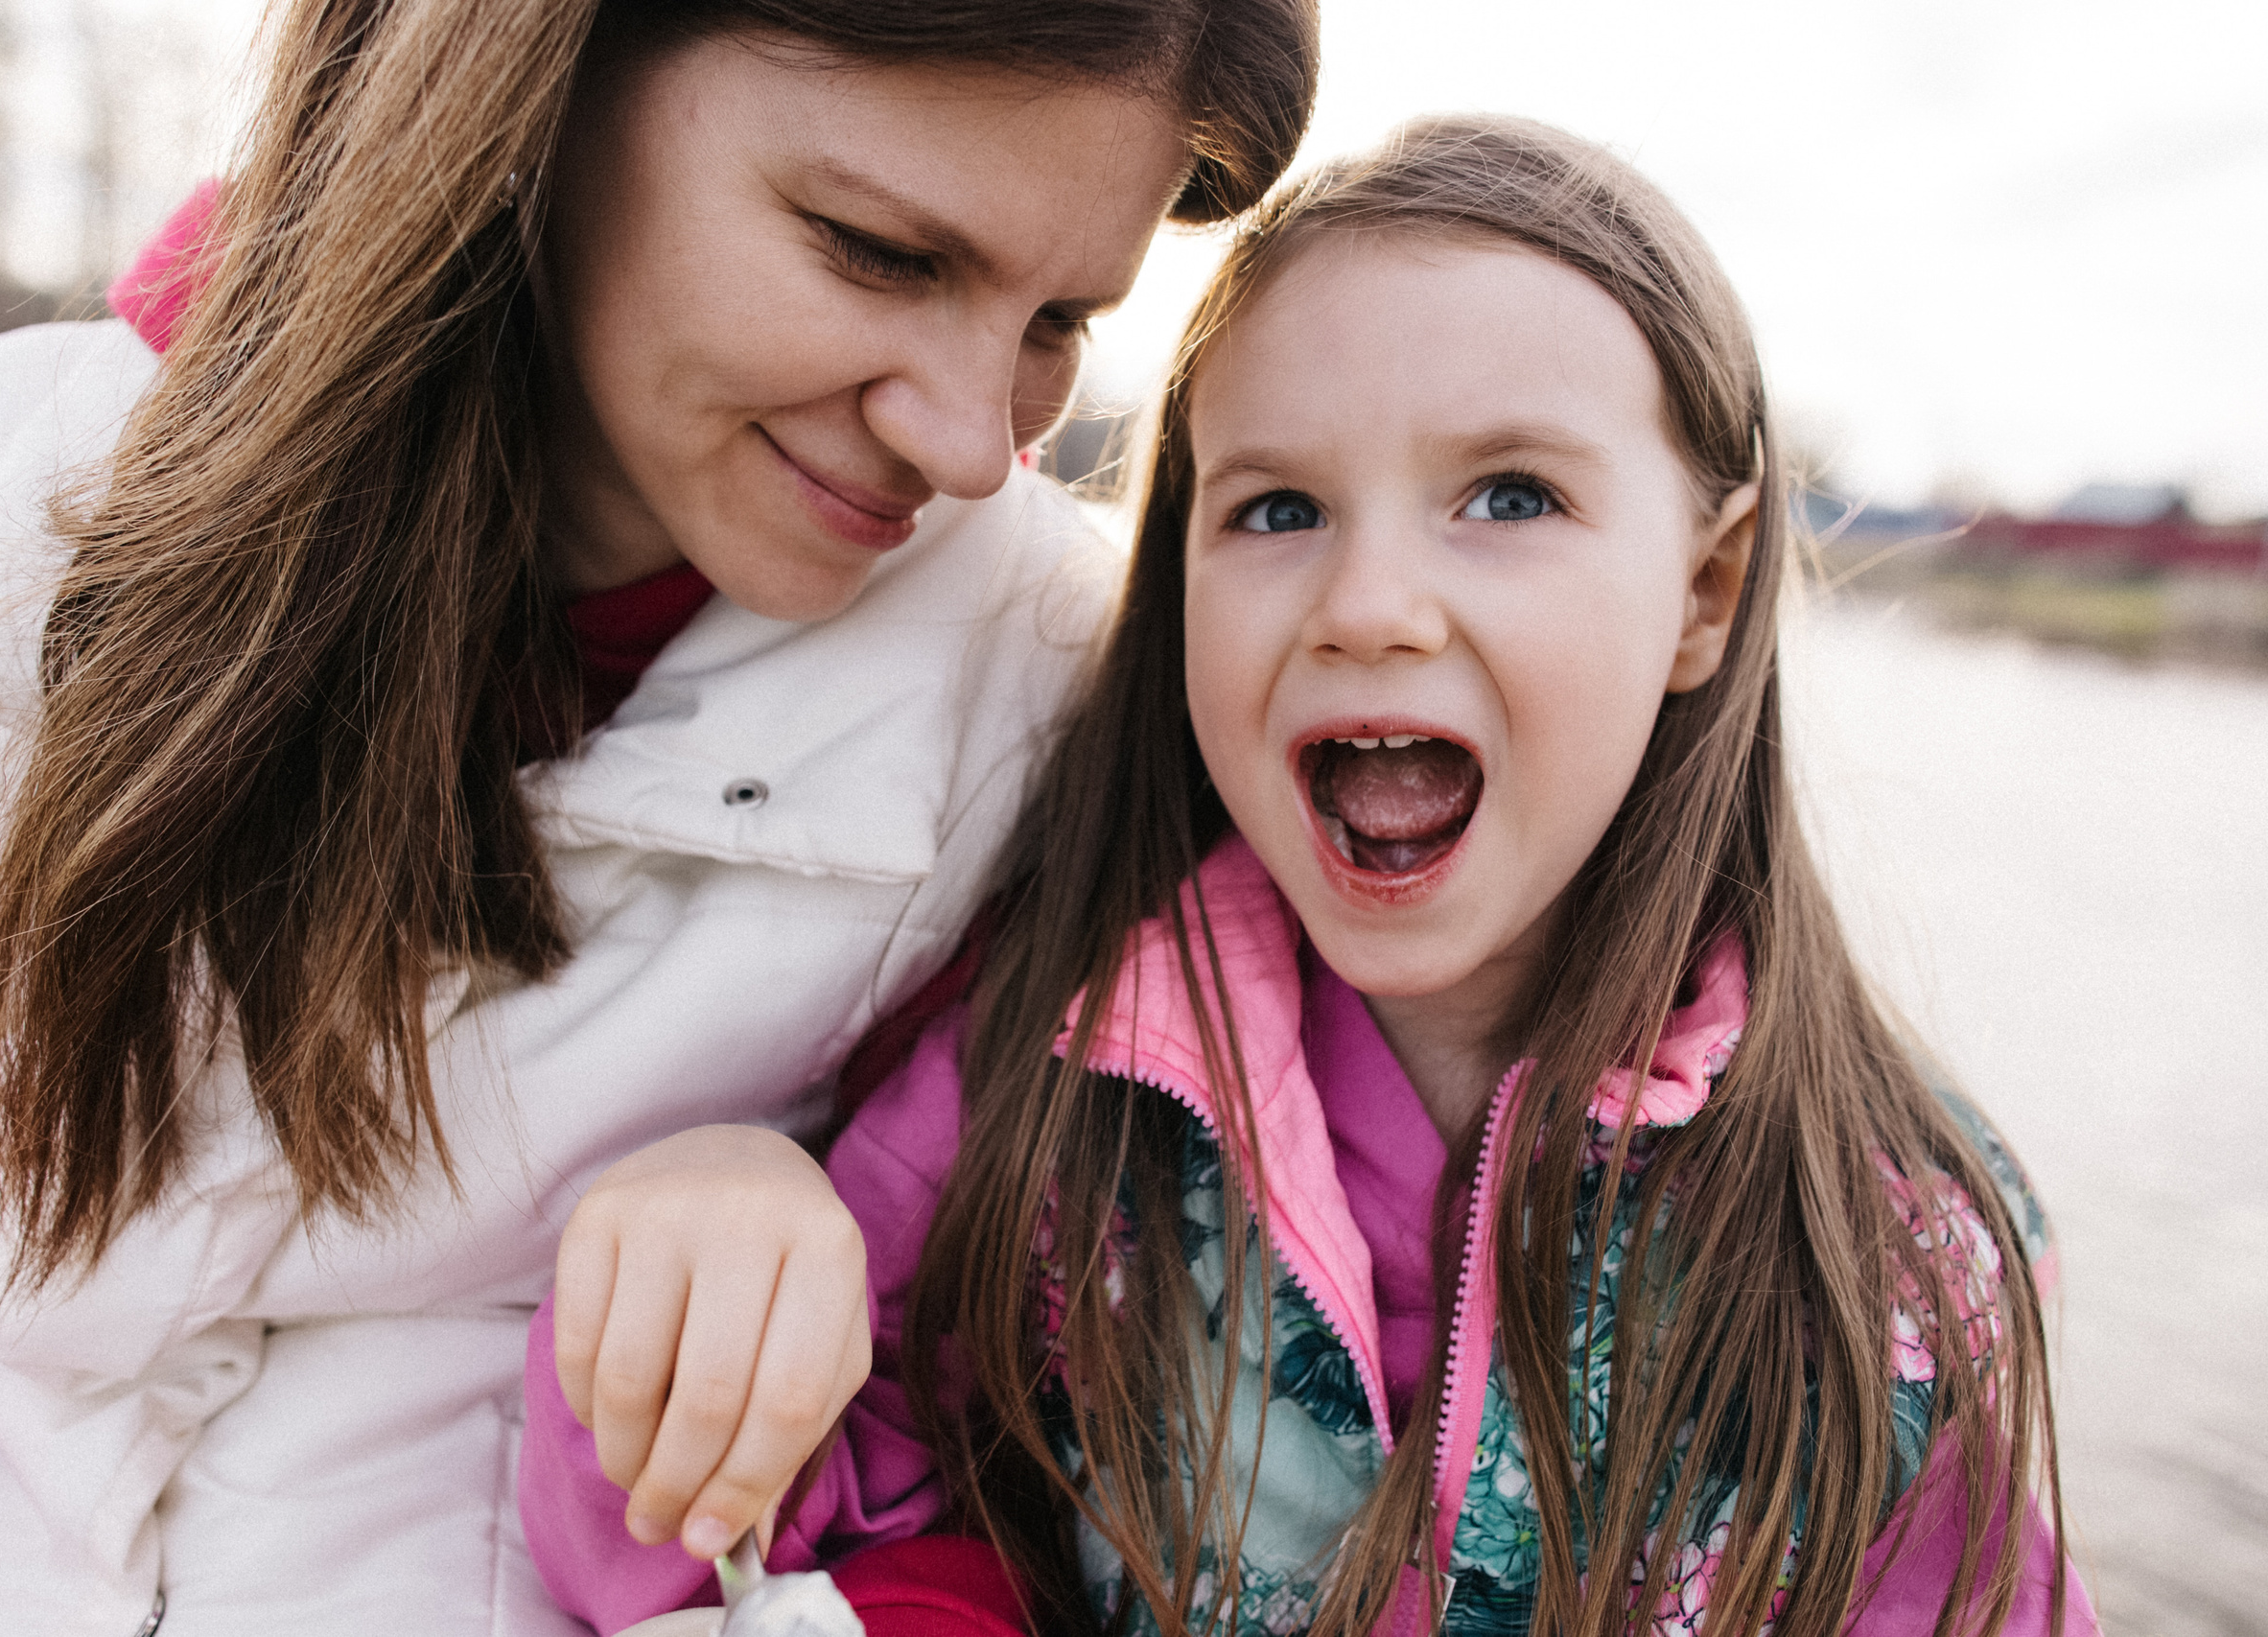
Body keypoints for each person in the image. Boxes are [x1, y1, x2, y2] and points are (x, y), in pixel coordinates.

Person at [0, 2, 1321, 1633]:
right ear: (543, 75)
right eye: (880, 252)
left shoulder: (1040, 698)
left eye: (1059, 322)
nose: (969, 444)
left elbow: (1000, 1479)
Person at [525, 115, 2103, 1637]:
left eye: (1509, 497)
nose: (1370, 605)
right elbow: (736, 1541)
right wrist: (714, 1231)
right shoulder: (1037, 1087)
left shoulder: (1889, 1244)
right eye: (1278, 507)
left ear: (1703, 588)